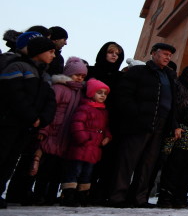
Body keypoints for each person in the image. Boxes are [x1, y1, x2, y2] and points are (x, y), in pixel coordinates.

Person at [108, 43, 177, 208]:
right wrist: (136, 114)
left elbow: (172, 103)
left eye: (170, 55)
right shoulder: (138, 72)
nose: (168, 57)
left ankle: (139, 198)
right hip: (138, 123)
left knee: (148, 164)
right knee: (127, 161)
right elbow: (124, 96)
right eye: (165, 54)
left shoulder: (169, 76)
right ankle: (117, 197)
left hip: (160, 125)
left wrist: (173, 124)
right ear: (153, 53)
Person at [0, 35, 57, 209]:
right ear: (39, 51)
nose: (53, 55)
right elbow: (15, 95)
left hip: (28, 127)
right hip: (10, 123)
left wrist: (43, 119)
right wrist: (32, 116)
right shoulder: (17, 67)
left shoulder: (45, 76)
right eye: (50, 51)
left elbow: (50, 101)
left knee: (11, 160)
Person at [33, 56, 88, 205]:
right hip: (53, 133)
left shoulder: (80, 92)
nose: (79, 78)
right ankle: (39, 194)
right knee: (46, 168)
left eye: (83, 76)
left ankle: (51, 195)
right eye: (77, 75)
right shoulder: (59, 88)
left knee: (58, 169)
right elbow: (50, 110)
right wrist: (44, 130)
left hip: (66, 136)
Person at [60, 78, 111, 206]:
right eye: (99, 92)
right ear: (91, 93)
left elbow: (105, 127)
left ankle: (81, 195)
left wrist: (107, 137)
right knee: (75, 171)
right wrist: (83, 138)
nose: (103, 96)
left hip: (93, 149)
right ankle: (68, 195)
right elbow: (77, 124)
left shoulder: (103, 111)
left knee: (87, 173)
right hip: (81, 147)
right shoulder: (85, 108)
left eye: (105, 94)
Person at [157, 106, 188, 208]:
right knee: (172, 177)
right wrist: (166, 152)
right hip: (178, 154)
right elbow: (171, 140)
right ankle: (166, 198)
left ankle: (180, 198)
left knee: (185, 178)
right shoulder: (182, 128)